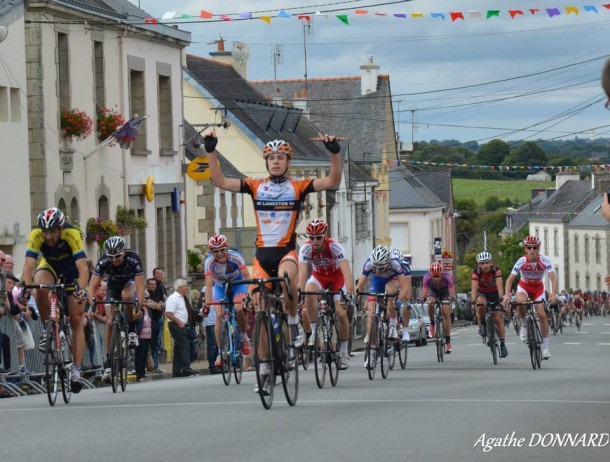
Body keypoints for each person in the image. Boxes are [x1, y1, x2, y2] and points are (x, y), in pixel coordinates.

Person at [197, 130, 343, 355]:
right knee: (260, 306)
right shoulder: (256, 186)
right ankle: (264, 365)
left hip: (285, 251)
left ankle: (293, 322)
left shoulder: (298, 186)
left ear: (288, 162)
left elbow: (333, 180)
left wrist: (334, 154)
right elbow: (219, 180)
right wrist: (210, 150)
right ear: (266, 162)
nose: (275, 162)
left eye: (280, 157)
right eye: (271, 158)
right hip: (262, 255)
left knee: (286, 281)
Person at [21, 207, 89, 392]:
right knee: (40, 287)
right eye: (45, 232)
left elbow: (83, 269)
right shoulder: (36, 235)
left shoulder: (71, 233)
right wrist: (28, 289)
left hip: (71, 270)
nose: (48, 236)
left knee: (76, 320)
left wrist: (80, 290)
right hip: (50, 265)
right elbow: (28, 266)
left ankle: (76, 369)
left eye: (52, 232)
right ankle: (47, 329)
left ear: (60, 228)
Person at [297, 219, 354, 369]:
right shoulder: (305, 249)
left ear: (325, 236)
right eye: (311, 237)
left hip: (337, 278)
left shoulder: (335, 246)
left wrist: (349, 292)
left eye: (318, 237)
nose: (314, 241)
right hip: (319, 277)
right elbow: (302, 273)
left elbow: (346, 271)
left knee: (341, 313)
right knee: (308, 293)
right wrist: (299, 292)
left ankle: (343, 352)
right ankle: (315, 333)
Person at [87, 236, 146, 380]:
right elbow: (92, 286)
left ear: (124, 252)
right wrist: (92, 301)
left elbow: (139, 286)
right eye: (111, 257)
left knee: (126, 296)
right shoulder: (103, 261)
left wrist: (138, 303)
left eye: (118, 257)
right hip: (113, 285)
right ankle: (108, 362)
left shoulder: (133, 258)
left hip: (129, 283)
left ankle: (132, 330)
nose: (114, 260)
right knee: (109, 321)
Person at [502, 235, 558, 359]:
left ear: (539, 248)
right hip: (524, 287)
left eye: (535, 247)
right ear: (525, 249)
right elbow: (510, 280)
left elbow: (553, 278)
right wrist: (506, 295)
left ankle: (545, 347)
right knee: (520, 302)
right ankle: (524, 325)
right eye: (529, 247)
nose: (532, 250)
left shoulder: (545, 260)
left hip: (538, 288)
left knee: (542, 315)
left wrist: (553, 294)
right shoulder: (521, 261)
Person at [355, 245, 410, 367]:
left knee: (390, 292)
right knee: (371, 314)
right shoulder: (369, 263)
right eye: (376, 267)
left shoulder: (395, 262)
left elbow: (405, 286)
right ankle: (372, 349)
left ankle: (392, 325)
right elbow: (360, 283)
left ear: (387, 262)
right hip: (377, 281)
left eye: (381, 268)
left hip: (392, 278)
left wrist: (399, 299)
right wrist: (356, 295)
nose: (378, 270)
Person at [202, 234, 251, 368]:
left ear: (226, 248)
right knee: (218, 314)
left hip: (238, 284)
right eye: (215, 251)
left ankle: (243, 336)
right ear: (211, 252)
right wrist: (207, 304)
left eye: (222, 250)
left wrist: (250, 294)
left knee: (239, 308)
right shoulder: (209, 262)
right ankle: (221, 352)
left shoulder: (235, 256)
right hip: (220, 287)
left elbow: (247, 277)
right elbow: (208, 285)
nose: (219, 254)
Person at [471, 251, 508, 358]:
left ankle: (502, 344)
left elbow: (499, 284)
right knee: (481, 303)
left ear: (490, 262)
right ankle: (482, 323)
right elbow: (474, 287)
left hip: (494, 293)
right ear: (479, 264)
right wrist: (473, 301)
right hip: (482, 292)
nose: (485, 265)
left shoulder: (495, 270)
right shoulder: (476, 272)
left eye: (487, 262)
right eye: (482, 263)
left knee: (498, 318)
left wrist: (501, 298)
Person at [421, 261, 457, 354]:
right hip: (433, 291)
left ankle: (448, 342)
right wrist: (423, 298)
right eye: (434, 276)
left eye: (438, 276)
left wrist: (452, 298)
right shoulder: (427, 278)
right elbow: (424, 291)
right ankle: (432, 324)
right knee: (430, 303)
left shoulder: (447, 277)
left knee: (445, 311)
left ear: (442, 274)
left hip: (445, 292)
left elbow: (452, 289)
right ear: (431, 275)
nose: (436, 278)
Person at [165, 278, 198, 377]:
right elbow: (168, 313)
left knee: (179, 348)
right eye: (185, 286)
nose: (187, 288)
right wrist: (179, 322)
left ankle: (177, 371)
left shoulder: (183, 298)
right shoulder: (173, 298)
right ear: (179, 288)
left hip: (183, 325)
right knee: (185, 346)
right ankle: (185, 367)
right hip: (176, 325)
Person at [390, 248, 414, 343]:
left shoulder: (405, 266)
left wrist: (407, 299)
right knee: (389, 302)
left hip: (402, 284)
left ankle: (405, 330)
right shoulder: (389, 264)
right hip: (392, 283)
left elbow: (408, 285)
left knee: (407, 305)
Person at [149, 268, 167, 373]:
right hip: (151, 321)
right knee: (153, 344)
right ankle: (153, 365)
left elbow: (164, 301)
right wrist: (156, 305)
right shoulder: (147, 292)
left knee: (158, 343)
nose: (160, 275)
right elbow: (147, 302)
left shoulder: (160, 287)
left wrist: (161, 305)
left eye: (161, 273)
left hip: (159, 318)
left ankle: (155, 365)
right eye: (158, 274)